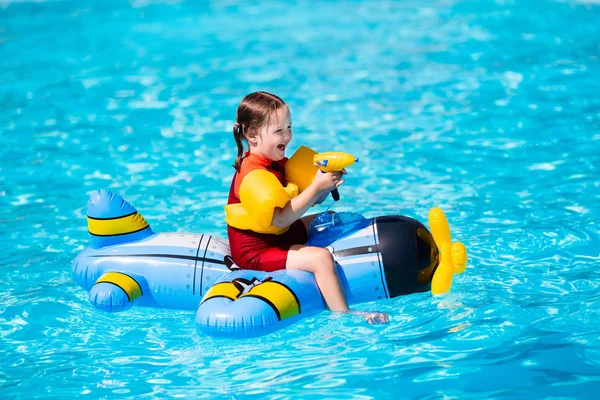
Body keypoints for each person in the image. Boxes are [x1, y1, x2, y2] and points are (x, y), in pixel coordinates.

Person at [225, 91, 388, 324]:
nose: (288, 136)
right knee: (320, 258)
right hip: (256, 250)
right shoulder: (253, 176)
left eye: (289, 127)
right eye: (279, 131)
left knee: (328, 218)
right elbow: (279, 219)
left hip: (279, 235)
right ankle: (344, 315)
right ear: (252, 135)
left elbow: (310, 202)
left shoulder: (275, 162)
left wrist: (325, 184)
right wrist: (315, 187)